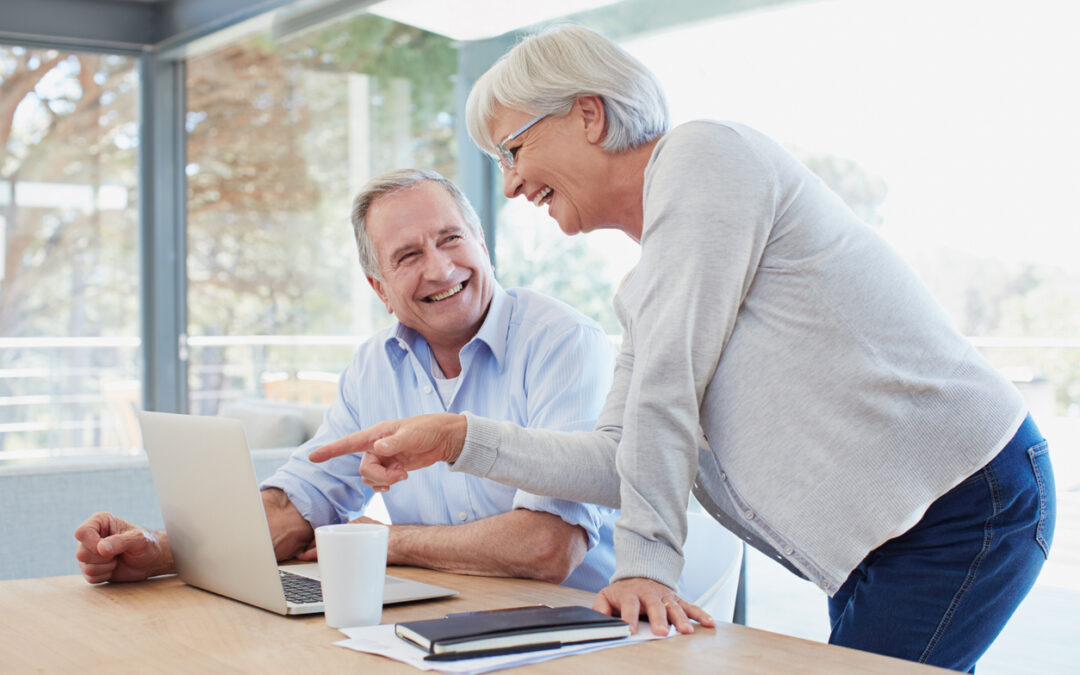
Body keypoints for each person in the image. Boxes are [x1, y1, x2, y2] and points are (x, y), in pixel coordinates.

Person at [309, 25, 1057, 671]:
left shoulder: (705, 157)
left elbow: (668, 386)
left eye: (512, 149)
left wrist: (644, 567)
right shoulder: (652, 287)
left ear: (589, 116)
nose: (509, 186)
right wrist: (459, 438)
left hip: (962, 499)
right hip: (889, 540)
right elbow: (615, 456)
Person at [75, 168, 618, 593]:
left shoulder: (564, 343)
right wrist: (162, 550)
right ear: (379, 287)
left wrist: (386, 543)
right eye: (408, 255)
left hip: (582, 629)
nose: (440, 269)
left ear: (482, 242)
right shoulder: (374, 366)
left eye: (451, 239)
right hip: (443, 619)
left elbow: (549, 546)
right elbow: (300, 504)